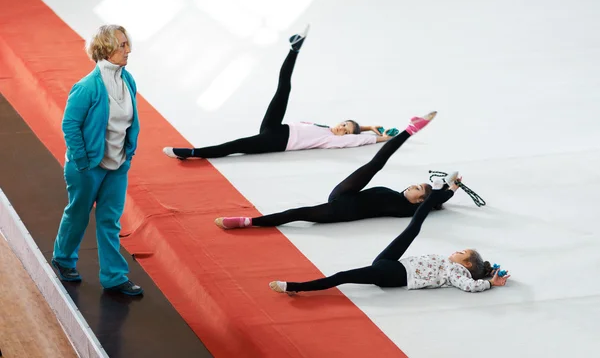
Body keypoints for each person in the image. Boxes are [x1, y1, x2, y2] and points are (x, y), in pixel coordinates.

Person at [162, 24, 392, 160]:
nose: (341, 128)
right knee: (283, 88)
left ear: (346, 137)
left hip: (278, 141)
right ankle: (294, 49)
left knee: (235, 146)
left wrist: (383, 137)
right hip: (276, 127)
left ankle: (192, 153)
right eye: (343, 124)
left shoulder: (331, 140)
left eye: (345, 131)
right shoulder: (326, 127)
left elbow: (358, 141)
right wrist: (368, 125)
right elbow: (355, 130)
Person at [214, 114, 451, 230]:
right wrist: (452, 185)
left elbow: (435, 200)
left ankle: (247, 222)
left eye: (417, 189)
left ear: (420, 201)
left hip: (342, 209)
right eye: (416, 184)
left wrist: (447, 192)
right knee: (376, 163)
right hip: (347, 193)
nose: (412, 186)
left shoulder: (406, 210)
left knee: (298, 213)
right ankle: (409, 130)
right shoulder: (399, 197)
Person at [268, 183, 511, 295]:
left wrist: (491, 282)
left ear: (466, 264)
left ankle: (295, 287)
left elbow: (470, 286)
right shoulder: (452, 266)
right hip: (394, 263)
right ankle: (436, 195)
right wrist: (448, 191)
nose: (456, 251)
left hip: (395, 276)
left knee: (343, 276)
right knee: (413, 229)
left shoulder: (458, 273)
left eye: (462, 252)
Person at [51, 24, 143, 296]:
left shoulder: (129, 80)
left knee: (110, 220)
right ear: (105, 49)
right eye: (122, 45)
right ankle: (63, 259)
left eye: (127, 44)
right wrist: (81, 161)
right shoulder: (87, 86)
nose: (128, 50)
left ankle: (114, 277)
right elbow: (70, 125)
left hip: (117, 165)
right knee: (78, 214)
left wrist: (128, 154)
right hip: (87, 167)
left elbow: (128, 122)